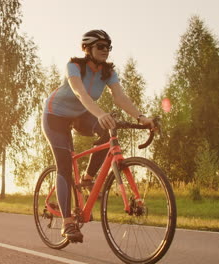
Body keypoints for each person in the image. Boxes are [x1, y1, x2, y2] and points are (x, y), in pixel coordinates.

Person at [42, 30, 155, 242]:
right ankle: (68, 223)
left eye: (108, 47)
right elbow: (80, 93)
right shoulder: (74, 66)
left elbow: (120, 97)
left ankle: (87, 179)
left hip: (80, 115)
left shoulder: (108, 72)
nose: (105, 50)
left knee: (107, 130)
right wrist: (101, 113)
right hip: (55, 116)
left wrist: (141, 117)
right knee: (64, 166)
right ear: (87, 49)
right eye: (100, 46)